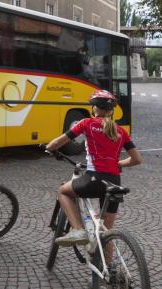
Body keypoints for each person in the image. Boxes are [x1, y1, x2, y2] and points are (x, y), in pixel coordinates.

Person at [46, 89, 142, 246]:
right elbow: (137, 159)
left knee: (63, 191)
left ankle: (77, 230)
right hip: (115, 182)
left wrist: (49, 148)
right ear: (111, 111)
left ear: (94, 108)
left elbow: (57, 143)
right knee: (106, 233)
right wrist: (119, 163)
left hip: (94, 178)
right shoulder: (121, 131)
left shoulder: (87, 123)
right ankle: (109, 268)